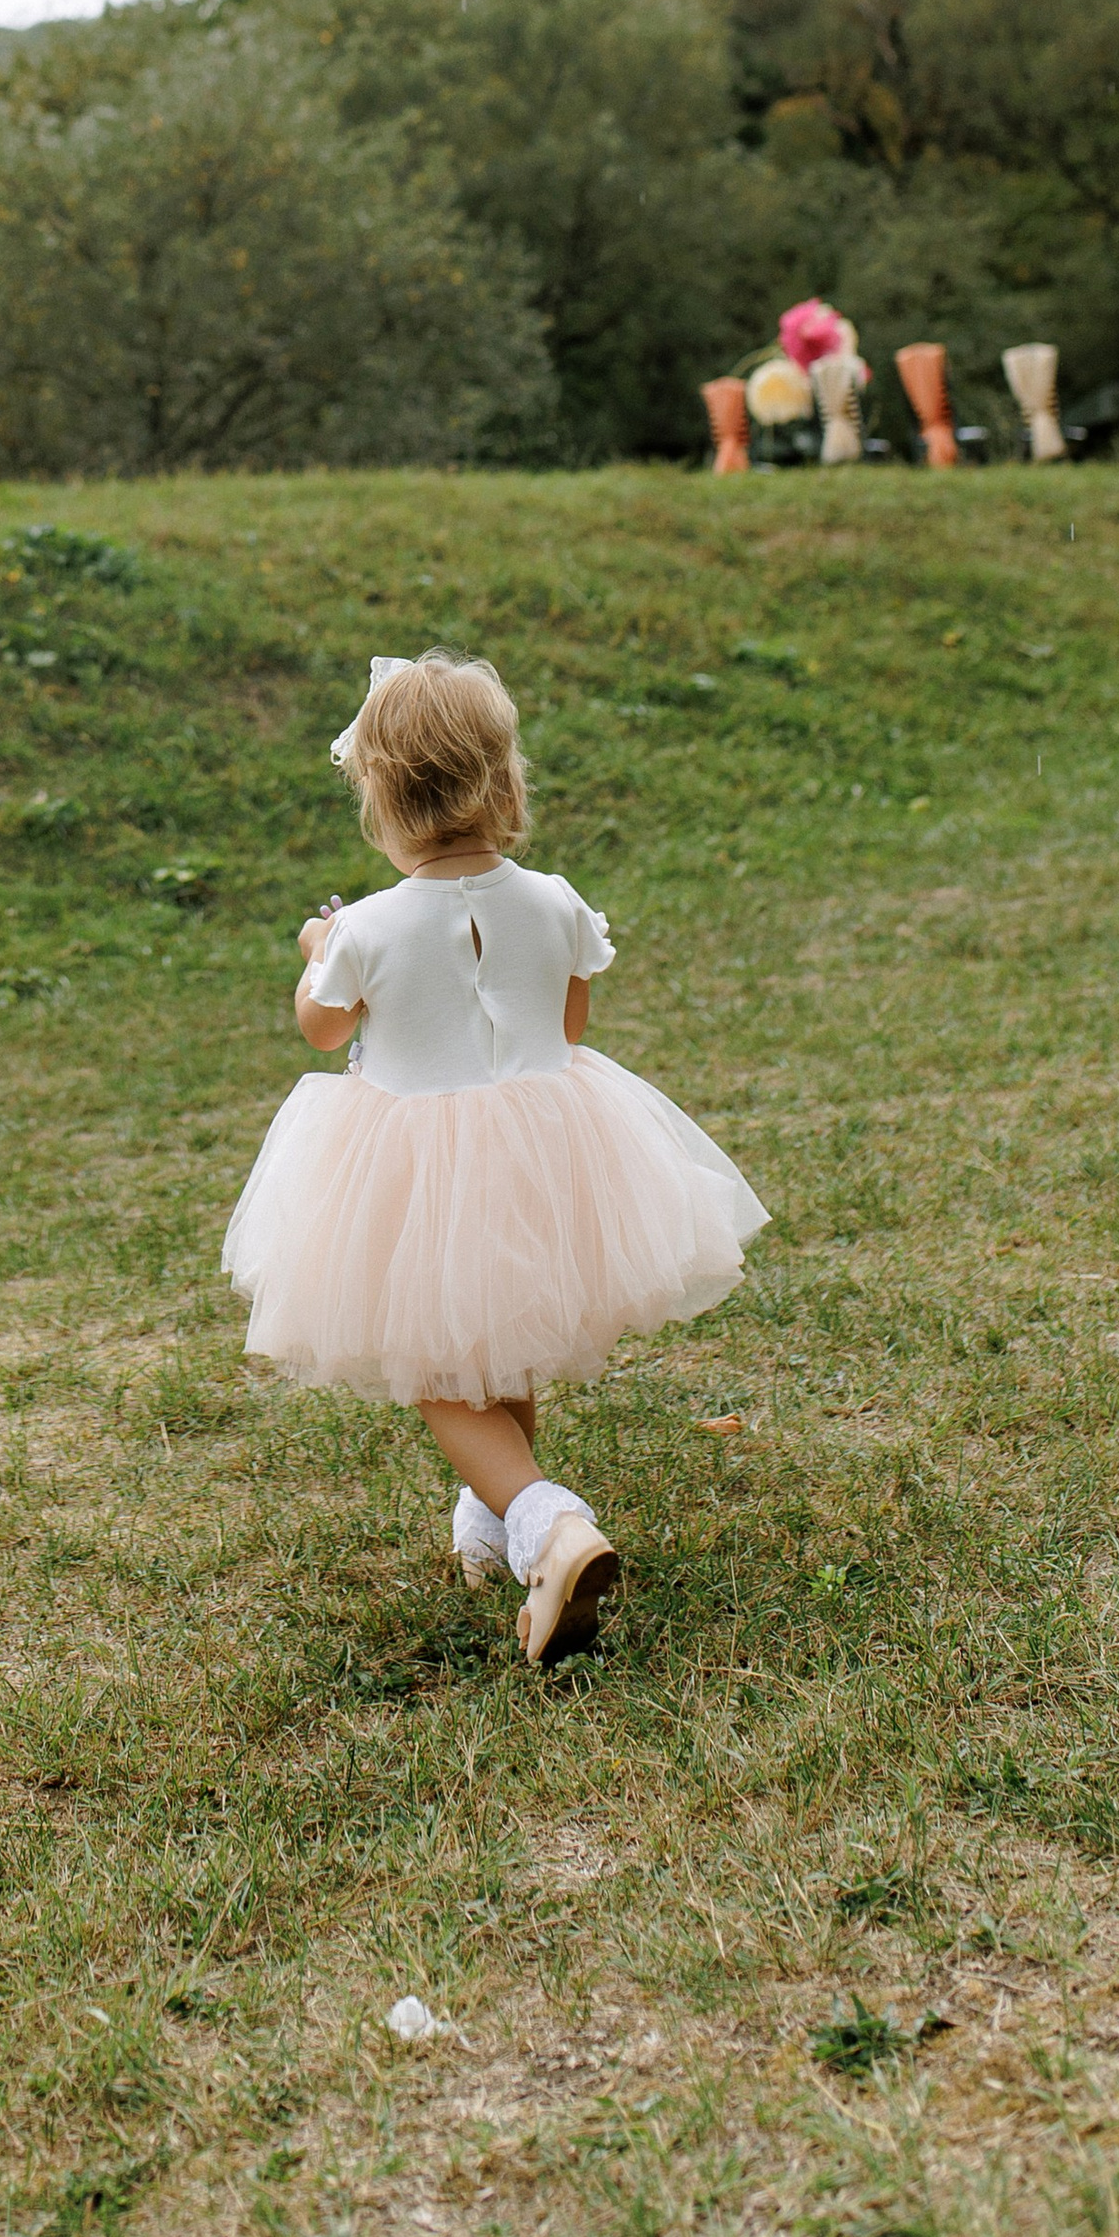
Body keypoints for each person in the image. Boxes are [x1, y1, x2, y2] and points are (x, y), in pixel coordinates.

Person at [220, 652, 768, 1662]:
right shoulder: (553, 898)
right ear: (504, 781)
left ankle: (549, 1522)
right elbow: (567, 1017)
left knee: (437, 1365)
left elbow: (322, 1033)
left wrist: (315, 953)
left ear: (380, 795)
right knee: (495, 1341)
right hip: (545, 1147)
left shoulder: (365, 928)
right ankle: (491, 1526)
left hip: (413, 1165)